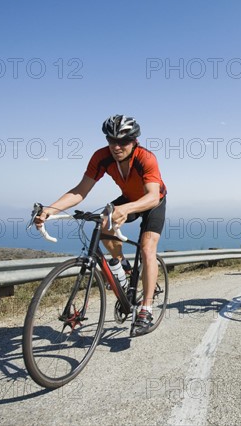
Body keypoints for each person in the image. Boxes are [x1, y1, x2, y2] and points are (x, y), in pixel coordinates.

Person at [35, 114, 167, 336]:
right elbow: (80, 190)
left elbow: (153, 196)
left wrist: (125, 209)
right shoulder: (101, 157)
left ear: (135, 141)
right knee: (104, 223)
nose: (117, 146)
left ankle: (146, 308)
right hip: (128, 197)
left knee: (147, 249)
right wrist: (51, 209)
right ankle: (120, 267)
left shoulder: (146, 158)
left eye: (123, 141)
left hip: (152, 202)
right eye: (111, 140)